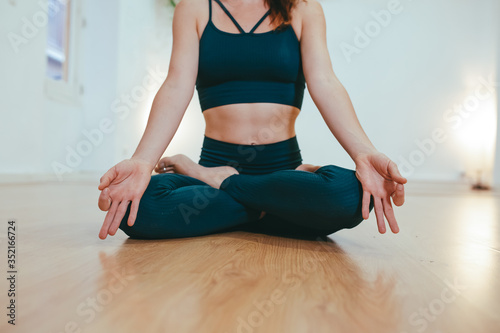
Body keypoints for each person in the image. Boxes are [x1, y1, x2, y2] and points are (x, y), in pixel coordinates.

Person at [97, 0, 407, 240]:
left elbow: (325, 81)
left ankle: (228, 187)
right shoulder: (193, 8)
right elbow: (176, 86)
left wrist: (364, 153)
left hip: (277, 170)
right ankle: (276, 209)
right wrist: (141, 162)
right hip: (225, 168)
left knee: (350, 196)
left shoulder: (303, 8)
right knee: (133, 207)